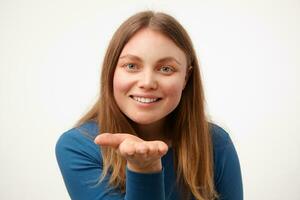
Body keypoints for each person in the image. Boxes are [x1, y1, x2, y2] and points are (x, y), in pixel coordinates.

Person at [55, 10, 243, 200]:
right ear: (111, 71)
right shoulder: (77, 146)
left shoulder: (216, 144)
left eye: (166, 69)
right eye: (131, 66)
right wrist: (144, 168)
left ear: (186, 77)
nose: (147, 82)